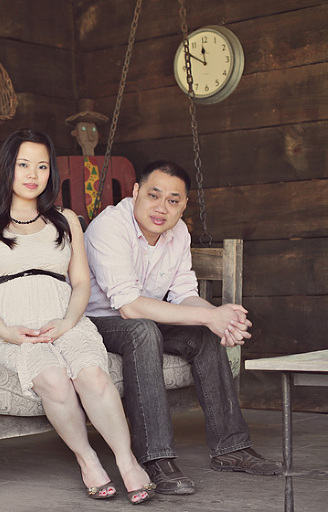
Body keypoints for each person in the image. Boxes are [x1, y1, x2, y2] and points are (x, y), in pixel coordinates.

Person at [0, 129, 156, 505]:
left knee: (92, 374)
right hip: (11, 326)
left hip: (65, 319)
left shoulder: (66, 219)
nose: (33, 174)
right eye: (24, 165)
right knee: (53, 380)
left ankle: (127, 460)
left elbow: (80, 282)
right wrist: (6, 332)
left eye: (42, 166)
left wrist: (67, 322)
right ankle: (87, 460)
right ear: (8, 168)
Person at [84, 160, 282, 495]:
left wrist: (220, 317)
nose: (162, 208)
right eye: (154, 195)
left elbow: (184, 294)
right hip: (97, 322)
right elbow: (129, 307)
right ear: (136, 192)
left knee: (203, 334)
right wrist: (209, 316)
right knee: (143, 331)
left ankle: (231, 448)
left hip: (146, 318)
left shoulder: (178, 234)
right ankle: (156, 459)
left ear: (184, 204)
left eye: (173, 200)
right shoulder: (110, 227)